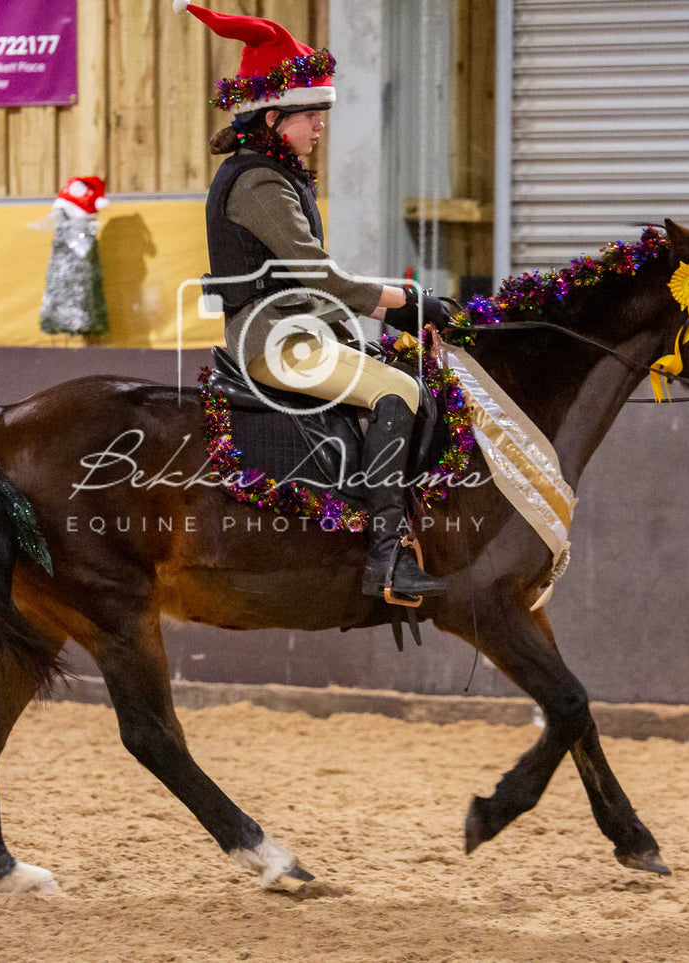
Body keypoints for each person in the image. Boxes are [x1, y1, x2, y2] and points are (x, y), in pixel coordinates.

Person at [178, 1, 453, 601]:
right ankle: (387, 561)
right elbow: (316, 272)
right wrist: (398, 303)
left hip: (296, 330)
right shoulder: (257, 182)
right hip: (272, 340)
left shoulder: (276, 176)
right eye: (310, 116)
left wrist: (402, 299)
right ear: (272, 116)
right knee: (398, 391)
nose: (321, 127)